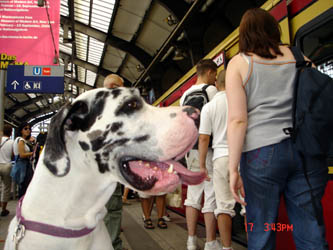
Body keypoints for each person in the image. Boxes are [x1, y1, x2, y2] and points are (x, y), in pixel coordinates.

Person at [226, 8, 329, 250]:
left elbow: (238, 120)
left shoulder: (240, 63)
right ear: (275, 29)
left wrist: (233, 169)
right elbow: (318, 96)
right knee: (310, 228)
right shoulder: (299, 56)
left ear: (244, 35)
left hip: (261, 154)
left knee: (261, 228)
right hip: (306, 151)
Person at [199, 70, 245, 250]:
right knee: (247, 205)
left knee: (223, 207)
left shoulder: (209, 107)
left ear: (217, 84)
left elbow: (203, 138)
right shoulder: (241, 99)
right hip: (243, 155)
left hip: (220, 158)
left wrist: (202, 165)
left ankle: (226, 247)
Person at [180, 59, 220, 250]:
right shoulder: (211, 91)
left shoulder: (186, 94)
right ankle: (211, 242)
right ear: (210, 72)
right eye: (215, 74)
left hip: (190, 151)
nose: (215, 78)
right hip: (208, 149)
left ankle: (191, 240)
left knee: (193, 195)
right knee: (211, 194)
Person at [102, 73, 127, 250]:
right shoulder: (112, 111)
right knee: (112, 210)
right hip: (108, 170)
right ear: (113, 88)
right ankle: (112, 246)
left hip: (94, 172)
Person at [12, 122, 34, 198]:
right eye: (25, 129)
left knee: (23, 187)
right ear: (21, 130)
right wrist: (32, 153)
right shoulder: (21, 140)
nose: (28, 130)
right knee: (24, 187)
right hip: (23, 165)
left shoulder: (19, 140)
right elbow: (22, 155)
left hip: (20, 165)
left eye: (29, 129)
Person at [0, 124, 14, 216]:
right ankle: (3, 209)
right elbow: (13, 154)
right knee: (6, 188)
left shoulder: (0, 140)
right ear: (11, 132)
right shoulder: (12, 142)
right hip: (7, 165)